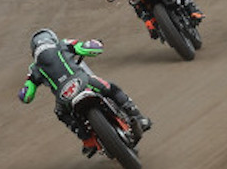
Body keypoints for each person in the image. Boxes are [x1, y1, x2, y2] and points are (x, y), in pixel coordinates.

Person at [20, 30, 150, 149]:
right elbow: (91, 49)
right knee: (110, 88)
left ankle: (87, 139)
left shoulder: (34, 69)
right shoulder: (64, 44)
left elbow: (27, 96)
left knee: (61, 114)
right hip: (85, 82)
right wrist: (96, 43)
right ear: (52, 39)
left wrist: (22, 93)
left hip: (65, 99)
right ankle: (136, 116)